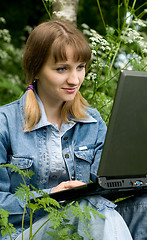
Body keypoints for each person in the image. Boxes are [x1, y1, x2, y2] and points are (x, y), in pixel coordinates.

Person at [0, 20, 132, 240]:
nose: (75, 79)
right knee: (93, 210)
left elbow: (105, 189)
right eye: (62, 69)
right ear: (36, 70)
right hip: (23, 232)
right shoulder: (5, 122)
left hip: (91, 222)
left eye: (80, 67)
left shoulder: (93, 121)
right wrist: (50, 196)